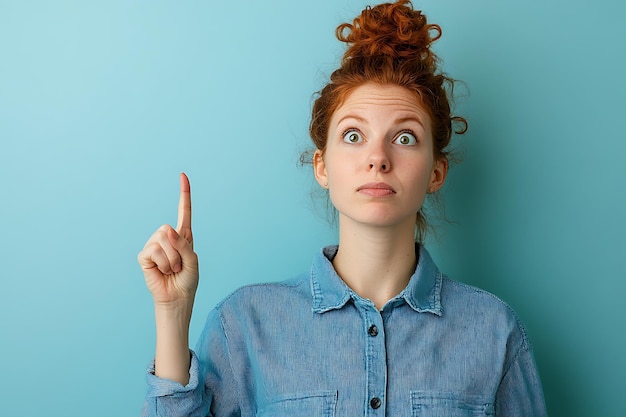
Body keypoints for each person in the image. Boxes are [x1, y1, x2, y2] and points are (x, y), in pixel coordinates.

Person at [138, 1, 547, 416]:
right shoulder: (245, 323)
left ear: (436, 172)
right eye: (354, 135)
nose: (378, 158)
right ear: (322, 165)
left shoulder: (495, 330)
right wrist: (172, 314)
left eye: (404, 138)